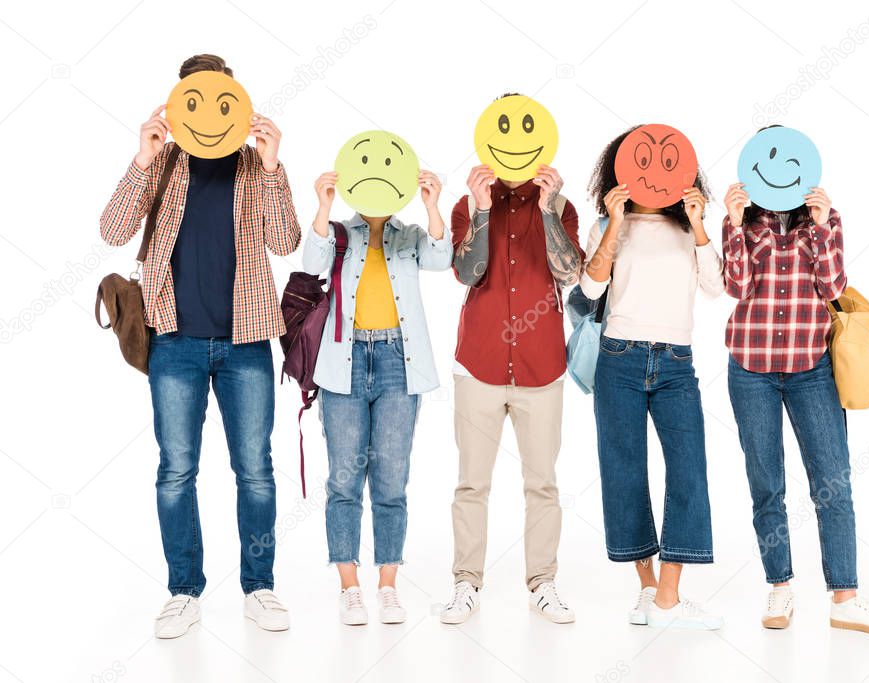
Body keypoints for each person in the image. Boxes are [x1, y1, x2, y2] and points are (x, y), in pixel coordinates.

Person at [99, 54, 300, 638]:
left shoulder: (251, 166)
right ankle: (184, 591)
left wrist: (271, 164)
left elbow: (286, 240)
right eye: (195, 100)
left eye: (220, 100)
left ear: (235, 103)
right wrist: (143, 156)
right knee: (175, 472)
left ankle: (259, 586)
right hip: (175, 343)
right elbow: (112, 231)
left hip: (245, 345)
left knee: (256, 472)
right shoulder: (161, 164)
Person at [722, 164, 869, 637]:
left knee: (833, 482)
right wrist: (733, 220)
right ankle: (780, 586)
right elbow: (736, 288)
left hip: (811, 369)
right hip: (751, 370)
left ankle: (844, 598)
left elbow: (834, 287)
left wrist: (822, 228)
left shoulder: (826, 219)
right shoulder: (742, 220)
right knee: (767, 483)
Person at [441, 96, 584, 625]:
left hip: (541, 367)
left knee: (542, 482)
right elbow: (467, 273)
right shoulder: (467, 204)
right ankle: (465, 584)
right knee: (471, 483)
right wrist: (481, 210)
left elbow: (569, 272)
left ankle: (542, 583)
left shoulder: (560, 207)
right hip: (478, 365)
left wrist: (549, 212)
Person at [581, 128, 725, 629]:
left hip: (676, 362)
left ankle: (669, 595)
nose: (654, 169)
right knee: (624, 469)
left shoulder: (690, 226)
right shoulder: (608, 222)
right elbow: (590, 283)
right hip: (618, 357)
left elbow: (715, 287)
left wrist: (700, 223)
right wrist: (615, 223)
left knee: (689, 470)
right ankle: (646, 589)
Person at [302, 164, 452, 626]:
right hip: (343, 363)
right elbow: (310, 266)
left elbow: (441, 258)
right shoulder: (340, 233)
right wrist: (323, 207)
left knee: (391, 478)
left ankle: (387, 586)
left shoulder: (407, 236)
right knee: (343, 480)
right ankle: (350, 587)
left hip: (397, 363)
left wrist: (431, 206)